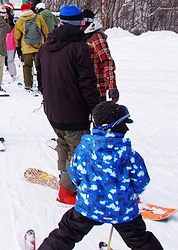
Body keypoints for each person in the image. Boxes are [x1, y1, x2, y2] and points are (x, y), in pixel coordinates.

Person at [38, 102, 163, 250]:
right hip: (123, 210)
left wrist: (86, 189)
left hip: (88, 206)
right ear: (115, 127)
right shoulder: (129, 155)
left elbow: (75, 173)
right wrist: (132, 193)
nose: (127, 129)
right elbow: (141, 180)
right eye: (124, 125)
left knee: (67, 233)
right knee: (140, 240)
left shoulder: (83, 150)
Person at [37, 4, 100, 204]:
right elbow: (87, 82)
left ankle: (64, 177)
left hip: (53, 109)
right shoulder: (79, 47)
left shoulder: (46, 46)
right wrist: (96, 107)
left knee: (63, 143)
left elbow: (41, 80)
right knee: (80, 150)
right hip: (73, 110)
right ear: (80, 23)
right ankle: (67, 189)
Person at [82, 9, 119, 102]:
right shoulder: (84, 37)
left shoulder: (96, 37)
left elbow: (107, 61)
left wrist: (112, 86)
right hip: (85, 88)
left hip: (97, 90)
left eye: (83, 23)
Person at [14, 3, 49, 93]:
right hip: (39, 47)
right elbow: (45, 31)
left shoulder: (20, 21)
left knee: (27, 66)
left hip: (26, 48)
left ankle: (28, 85)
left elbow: (17, 36)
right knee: (40, 67)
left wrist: (18, 48)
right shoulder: (38, 17)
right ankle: (42, 85)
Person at [3, 2, 18, 83]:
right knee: (10, 60)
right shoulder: (12, 20)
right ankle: (13, 74)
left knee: (0, 60)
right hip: (10, 42)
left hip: (1, 42)